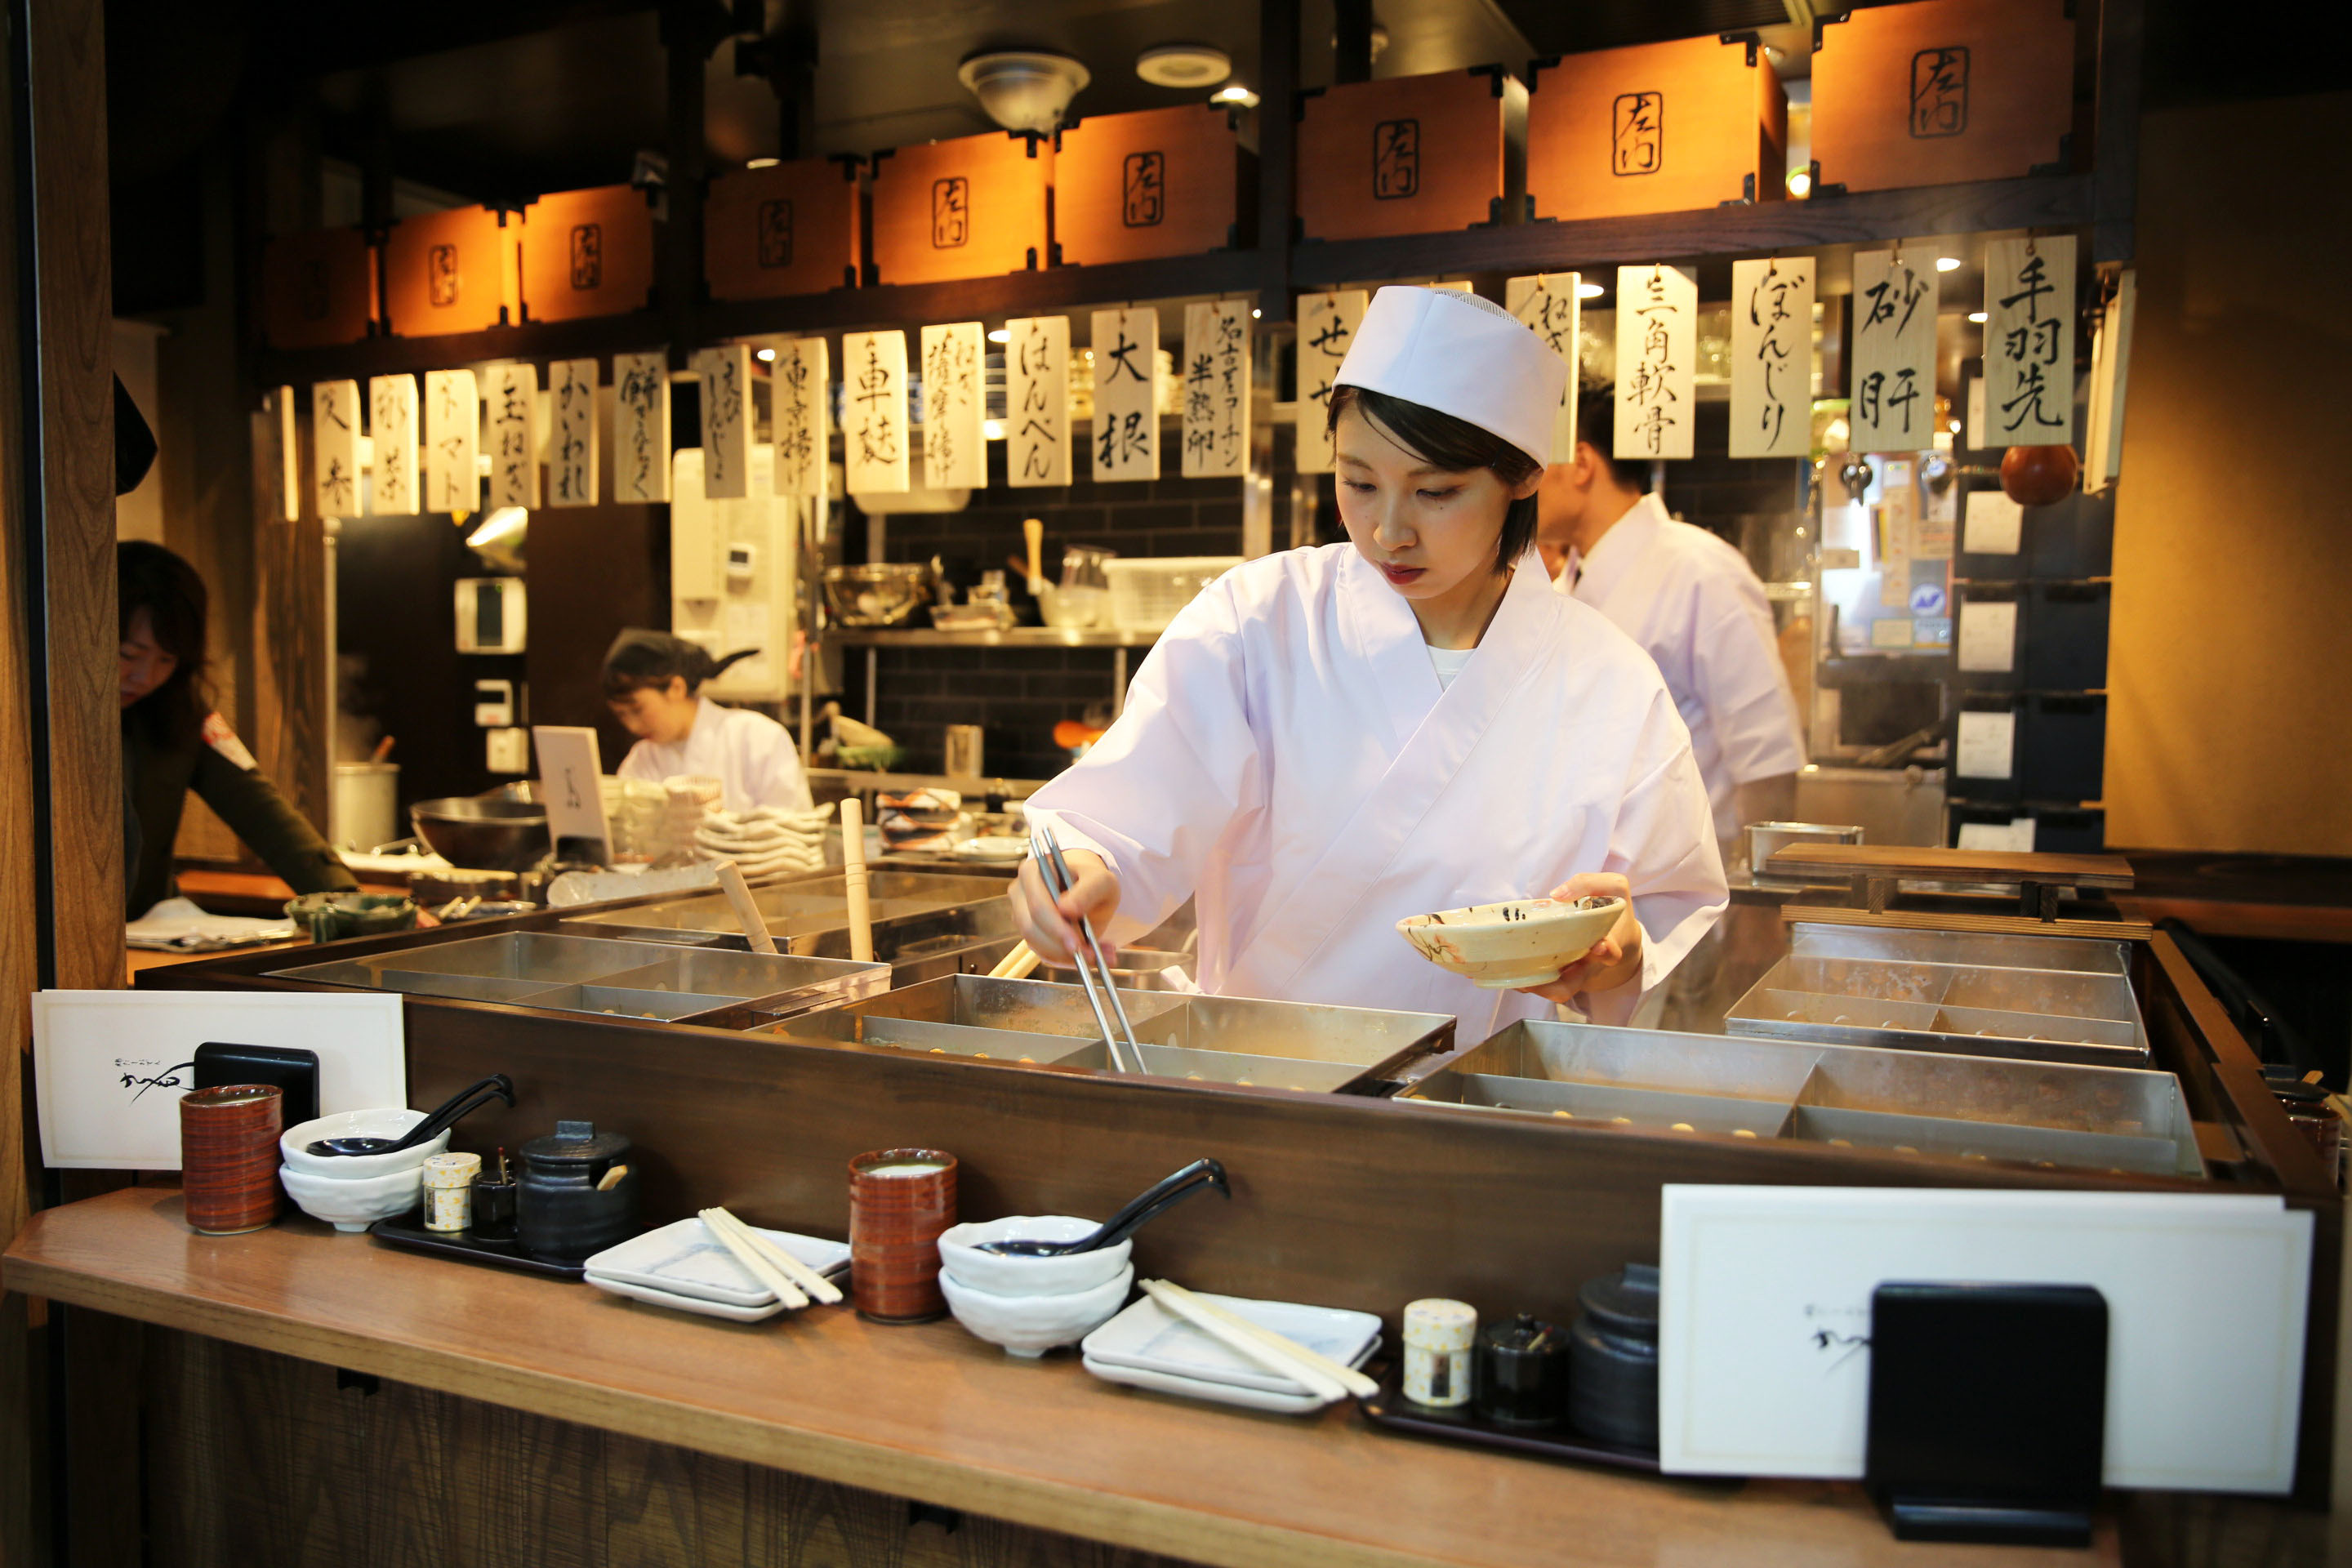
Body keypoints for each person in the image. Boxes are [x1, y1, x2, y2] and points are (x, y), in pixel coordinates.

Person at [1011, 287, 1726, 1034]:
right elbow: (1129, 813)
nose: (1388, 531)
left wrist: (1619, 954)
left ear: (1522, 478)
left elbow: (1663, 911)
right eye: (1358, 483)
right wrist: (1080, 870)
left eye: (1436, 492)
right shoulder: (1259, 620)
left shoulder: (1610, 679)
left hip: (1494, 1104)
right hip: (1262, 1081)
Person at [1535, 387, 1807, 849]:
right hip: (1589, 886)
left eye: (1532, 463)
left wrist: (1757, 908)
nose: (1516, 486)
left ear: (1580, 464)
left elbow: (1768, 760)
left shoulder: (1700, 570)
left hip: (1694, 890)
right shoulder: (1565, 586)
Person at [119, 541, 357, 917]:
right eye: (129, 655)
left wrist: (343, 899)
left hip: (148, 928)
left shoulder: (179, 709)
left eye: (166, 659)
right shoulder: (44, 716)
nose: (146, 676)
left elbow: (256, 805)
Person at [602, 629, 813, 813]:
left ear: (676, 688)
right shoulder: (641, 759)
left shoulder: (759, 737)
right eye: (621, 715)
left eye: (637, 710)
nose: (632, 725)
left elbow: (793, 829)